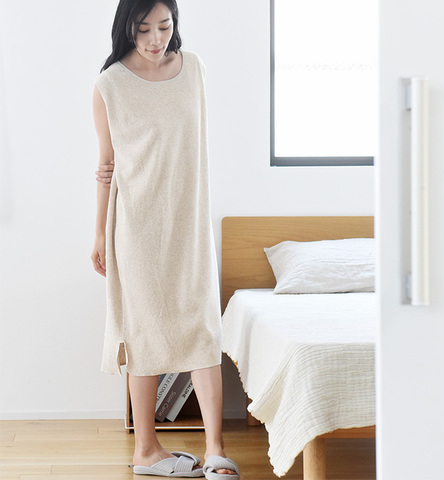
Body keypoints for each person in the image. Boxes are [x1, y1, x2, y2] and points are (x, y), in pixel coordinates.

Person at [90, 1, 239, 478]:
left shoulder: (192, 68)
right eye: (144, 29)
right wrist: (99, 233)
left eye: (165, 26)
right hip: (137, 225)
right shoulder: (110, 84)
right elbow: (106, 166)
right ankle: (146, 451)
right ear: (127, 28)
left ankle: (215, 450)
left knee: (203, 330)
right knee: (145, 332)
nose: (156, 39)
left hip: (189, 221)